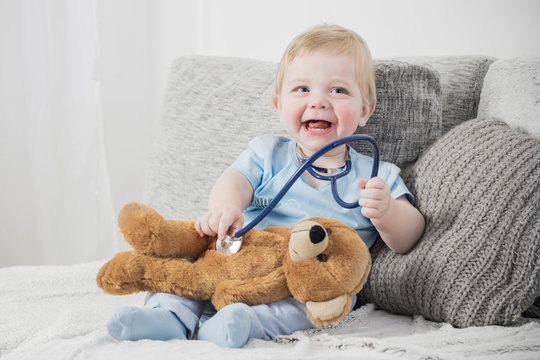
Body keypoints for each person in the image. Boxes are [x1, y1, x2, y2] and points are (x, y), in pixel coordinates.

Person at [106, 24, 425, 348]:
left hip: (302, 276)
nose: (318, 101)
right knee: (192, 265)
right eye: (302, 89)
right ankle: (169, 316)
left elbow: (408, 236)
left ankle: (242, 323)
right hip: (242, 257)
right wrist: (226, 207)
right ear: (279, 105)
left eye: (338, 91)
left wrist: (386, 212)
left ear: (364, 110)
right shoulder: (267, 153)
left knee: (314, 303)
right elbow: (234, 181)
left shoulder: (376, 175)